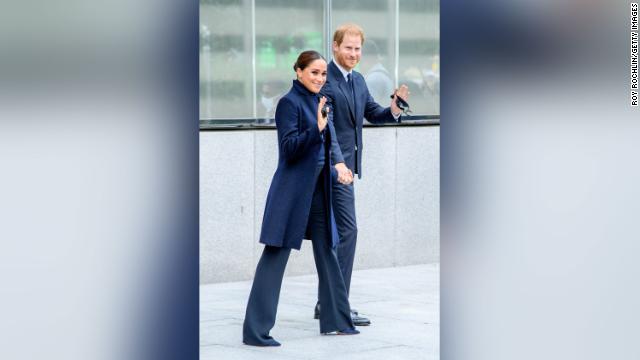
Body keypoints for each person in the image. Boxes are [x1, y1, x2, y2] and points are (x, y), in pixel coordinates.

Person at [243, 50, 359, 347]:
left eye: (323, 74)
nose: (320, 78)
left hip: (319, 189)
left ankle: (337, 321)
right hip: (292, 192)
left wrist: (339, 168)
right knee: (275, 254)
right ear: (298, 71)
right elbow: (290, 149)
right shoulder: (288, 103)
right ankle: (256, 332)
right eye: (314, 73)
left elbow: (329, 147)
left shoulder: (322, 102)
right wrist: (315, 128)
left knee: (327, 250)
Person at [315, 23, 410, 326]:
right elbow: (326, 126)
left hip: (346, 170)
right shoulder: (325, 79)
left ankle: (327, 302)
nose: (354, 54)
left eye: (358, 49)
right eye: (348, 48)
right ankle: (336, 304)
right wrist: (339, 164)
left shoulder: (358, 81)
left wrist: (393, 108)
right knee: (347, 231)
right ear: (335, 47)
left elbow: (373, 113)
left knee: (334, 234)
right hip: (331, 169)